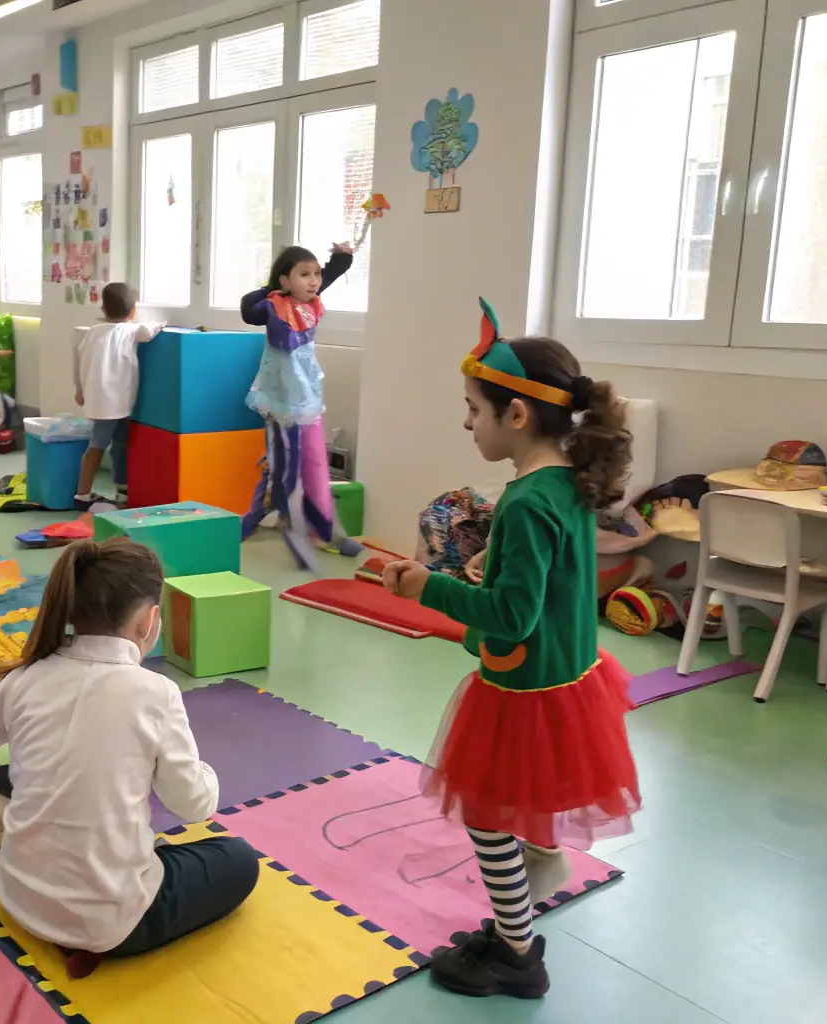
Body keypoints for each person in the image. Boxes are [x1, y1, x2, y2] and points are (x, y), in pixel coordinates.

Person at [382, 299, 641, 999]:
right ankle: (514, 922)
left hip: (523, 689)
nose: (466, 423)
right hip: (566, 677)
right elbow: (544, 592)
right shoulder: (563, 485)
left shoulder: (527, 502)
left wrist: (423, 589)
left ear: (516, 415)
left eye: (473, 409)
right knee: (512, 807)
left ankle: (518, 954)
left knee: (488, 817)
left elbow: (509, 618)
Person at [0, 538, 260, 976]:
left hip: (17, 897)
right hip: (113, 925)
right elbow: (193, 806)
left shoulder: (26, 675)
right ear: (150, 620)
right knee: (238, 858)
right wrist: (204, 770)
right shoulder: (155, 692)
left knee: (2, 774)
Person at [240, 244, 362, 568]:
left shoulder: (311, 302)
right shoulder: (273, 305)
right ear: (285, 280)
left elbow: (330, 274)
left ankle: (323, 530)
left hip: (307, 397)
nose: (313, 281)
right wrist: (272, 291)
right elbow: (247, 309)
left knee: (315, 464)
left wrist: (341, 259)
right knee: (283, 471)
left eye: (316, 274)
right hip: (282, 402)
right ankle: (276, 522)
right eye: (304, 275)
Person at [72, 283, 166, 508]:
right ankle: (83, 495)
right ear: (133, 311)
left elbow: (80, 362)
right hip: (116, 401)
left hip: (106, 399)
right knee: (102, 444)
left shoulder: (93, 332)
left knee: (117, 443)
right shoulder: (132, 331)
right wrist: (163, 322)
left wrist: (80, 388)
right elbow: (151, 330)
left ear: (103, 309)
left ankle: (120, 490)